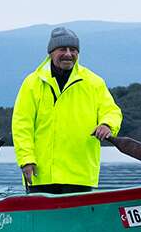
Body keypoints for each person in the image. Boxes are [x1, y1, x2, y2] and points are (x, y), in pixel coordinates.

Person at [11, 27, 123, 194]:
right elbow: (22, 126)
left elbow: (112, 111)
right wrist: (26, 160)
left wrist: (107, 124)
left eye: (73, 50)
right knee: (44, 220)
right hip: (41, 175)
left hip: (80, 175)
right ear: (51, 52)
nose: (68, 54)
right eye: (62, 49)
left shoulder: (94, 82)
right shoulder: (32, 83)